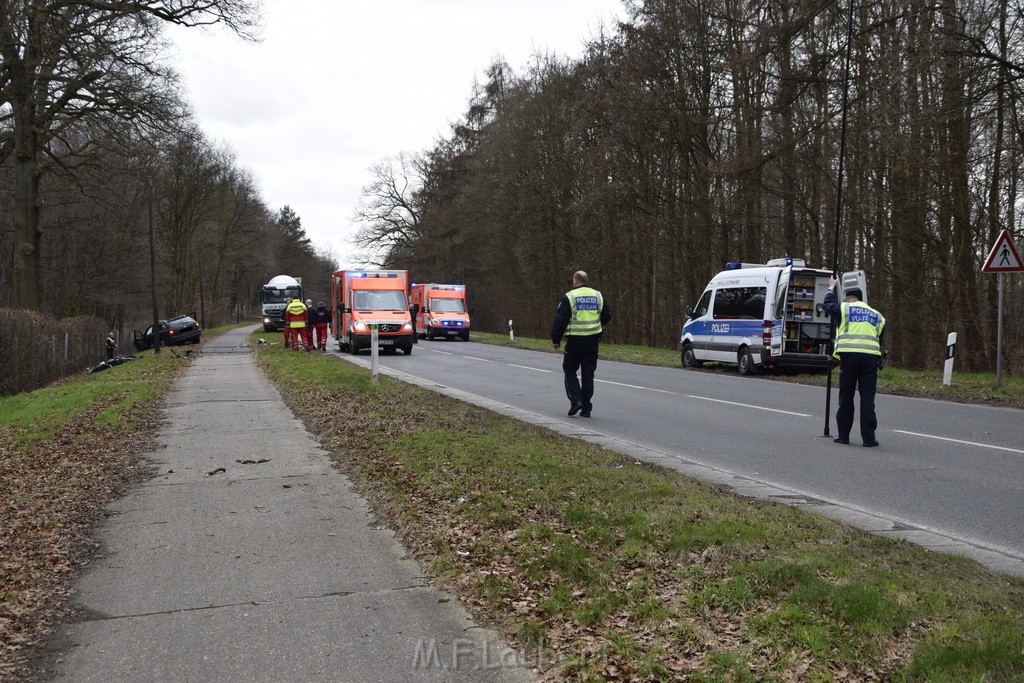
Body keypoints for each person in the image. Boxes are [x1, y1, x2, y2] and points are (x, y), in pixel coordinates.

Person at [823, 276, 886, 447]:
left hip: (849, 357)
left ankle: (843, 436)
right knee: (867, 398)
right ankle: (869, 439)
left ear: (848, 301)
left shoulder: (845, 309)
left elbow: (827, 306)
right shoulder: (876, 315)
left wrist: (831, 288)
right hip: (870, 358)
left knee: (846, 396)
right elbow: (879, 338)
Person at [551, 270, 612, 418]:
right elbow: (607, 316)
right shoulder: (598, 295)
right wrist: (599, 329)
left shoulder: (570, 297)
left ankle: (575, 401)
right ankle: (586, 408)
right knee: (588, 374)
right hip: (592, 341)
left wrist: (555, 339)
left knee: (569, 370)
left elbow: (560, 320)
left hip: (575, 341)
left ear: (576, 281)